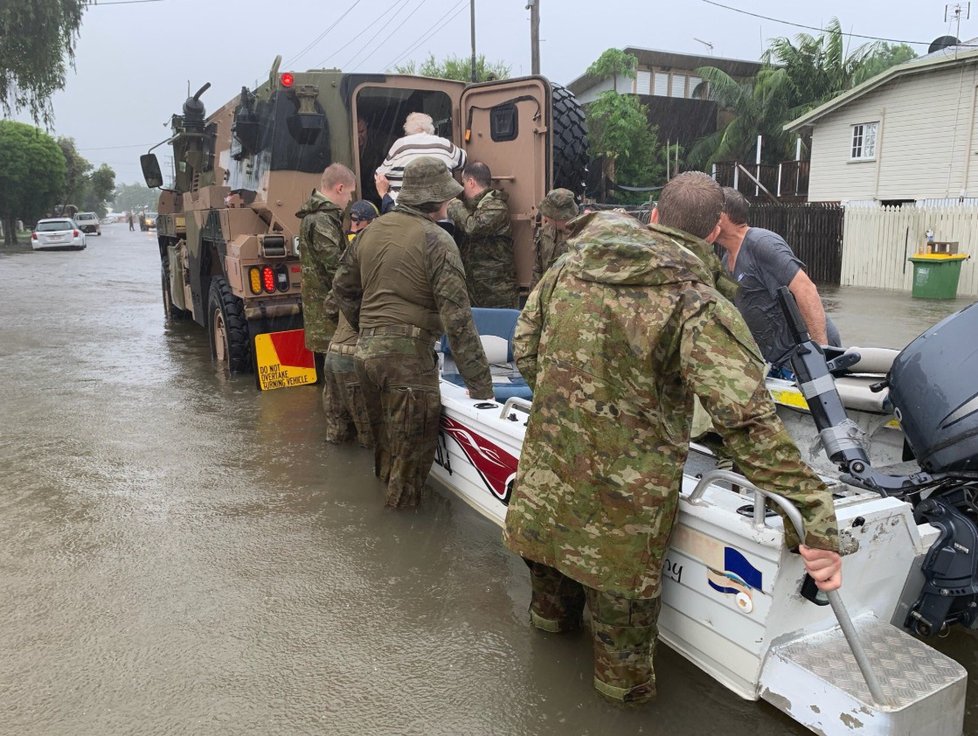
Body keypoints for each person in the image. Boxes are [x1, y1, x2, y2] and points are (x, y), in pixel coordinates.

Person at [504, 172, 842, 706]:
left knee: (548, 631)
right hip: (622, 530)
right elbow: (748, 424)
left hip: (543, 500)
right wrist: (815, 522)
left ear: (655, 216)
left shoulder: (569, 266)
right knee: (622, 686)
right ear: (713, 234)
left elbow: (526, 349)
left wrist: (576, 414)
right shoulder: (696, 303)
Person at [332, 157, 493, 509]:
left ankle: (381, 536)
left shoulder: (370, 231)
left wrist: (368, 328)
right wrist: (481, 386)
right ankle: (398, 547)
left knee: (387, 458)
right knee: (407, 481)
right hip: (408, 365)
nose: (451, 203)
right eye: (448, 198)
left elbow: (341, 287)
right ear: (436, 200)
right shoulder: (437, 240)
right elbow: (458, 320)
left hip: (366, 360)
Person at [716, 187, 841, 374]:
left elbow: (806, 290)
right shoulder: (726, 260)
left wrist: (820, 355)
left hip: (804, 357)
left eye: (708, 211)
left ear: (722, 217)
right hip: (777, 362)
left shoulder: (762, 243)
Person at [296, 163, 356, 362]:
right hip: (329, 317)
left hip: (325, 313)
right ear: (339, 188)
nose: (349, 200)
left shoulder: (319, 217)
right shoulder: (322, 220)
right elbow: (336, 268)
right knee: (336, 380)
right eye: (349, 193)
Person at [447, 161, 517, 308]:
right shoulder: (473, 207)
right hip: (476, 289)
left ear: (471, 182)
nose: (463, 188)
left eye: (464, 183)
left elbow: (473, 227)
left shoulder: (496, 206)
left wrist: (454, 204)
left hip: (496, 292)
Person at [375, 112, 466, 208]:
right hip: (439, 210)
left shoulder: (401, 144)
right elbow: (463, 160)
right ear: (430, 128)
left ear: (407, 129)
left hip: (405, 208)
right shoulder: (445, 144)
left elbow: (379, 175)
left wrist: (385, 193)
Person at [530, 188, 578, 289]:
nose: (545, 218)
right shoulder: (545, 232)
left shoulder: (582, 237)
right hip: (545, 293)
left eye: (547, 214)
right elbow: (538, 269)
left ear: (558, 216)